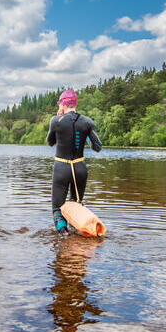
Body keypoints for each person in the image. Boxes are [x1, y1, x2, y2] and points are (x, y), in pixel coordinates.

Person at [47, 89, 102, 233]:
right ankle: (80, 235)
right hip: (80, 168)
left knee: (57, 209)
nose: (59, 107)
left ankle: (64, 236)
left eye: (59, 104)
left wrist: (57, 122)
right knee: (76, 205)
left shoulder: (55, 121)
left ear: (63, 105)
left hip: (61, 168)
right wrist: (85, 135)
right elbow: (97, 147)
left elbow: (50, 142)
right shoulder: (87, 122)